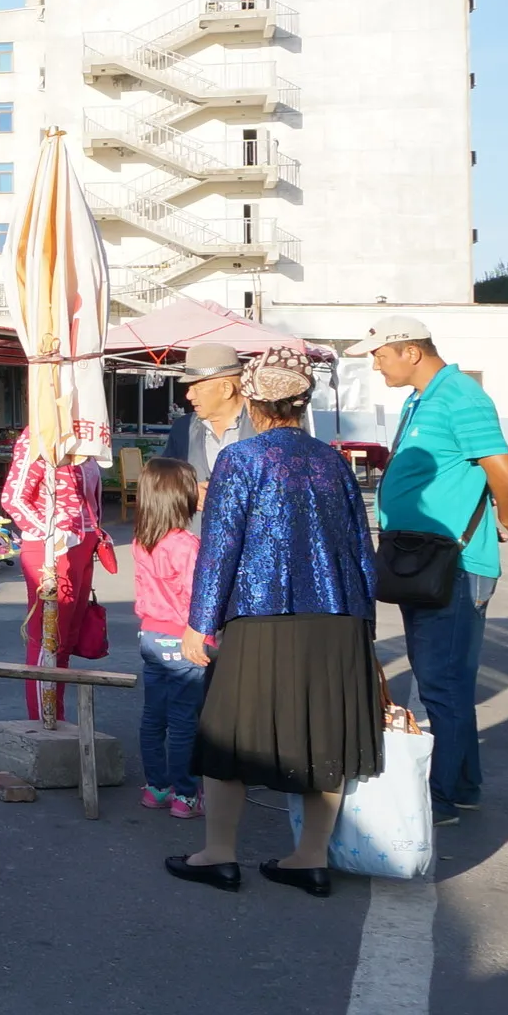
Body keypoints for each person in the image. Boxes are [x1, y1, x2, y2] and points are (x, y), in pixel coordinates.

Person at [167, 346, 381, 898]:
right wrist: (367, 631)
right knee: (322, 737)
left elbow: (220, 548)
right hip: (338, 619)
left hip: (260, 617)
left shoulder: (241, 459)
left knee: (228, 736)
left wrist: (199, 622)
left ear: (254, 402)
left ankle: (219, 855)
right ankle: (309, 859)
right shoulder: (333, 461)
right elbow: (361, 549)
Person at [349, 315, 508, 823]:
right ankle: (463, 785)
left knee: (442, 683)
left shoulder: (460, 396)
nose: (376, 364)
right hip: (420, 558)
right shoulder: (421, 397)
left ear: (410, 351)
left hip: (451, 563)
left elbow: (505, 471)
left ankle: (441, 799)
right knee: (443, 680)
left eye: (380, 355)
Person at [0, 426, 114, 720]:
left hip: (82, 545)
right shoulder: (41, 430)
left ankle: (55, 718)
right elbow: (13, 498)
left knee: (66, 639)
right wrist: (50, 535)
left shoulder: (87, 432)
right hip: (52, 546)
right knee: (47, 640)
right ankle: (43, 721)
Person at [129, 456, 204, 818]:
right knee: (184, 720)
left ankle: (156, 787)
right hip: (184, 640)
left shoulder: (142, 541)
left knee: (153, 717)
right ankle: (185, 794)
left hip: (151, 635)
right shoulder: (187, 545)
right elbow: (197, 598)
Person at [161, 343, 253, 505]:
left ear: (226, 388)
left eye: (197, 387)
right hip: (197, 529)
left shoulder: (265, 426)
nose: (189, 395)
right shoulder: (183, 428)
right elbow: (162, 480)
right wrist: (187, 491)